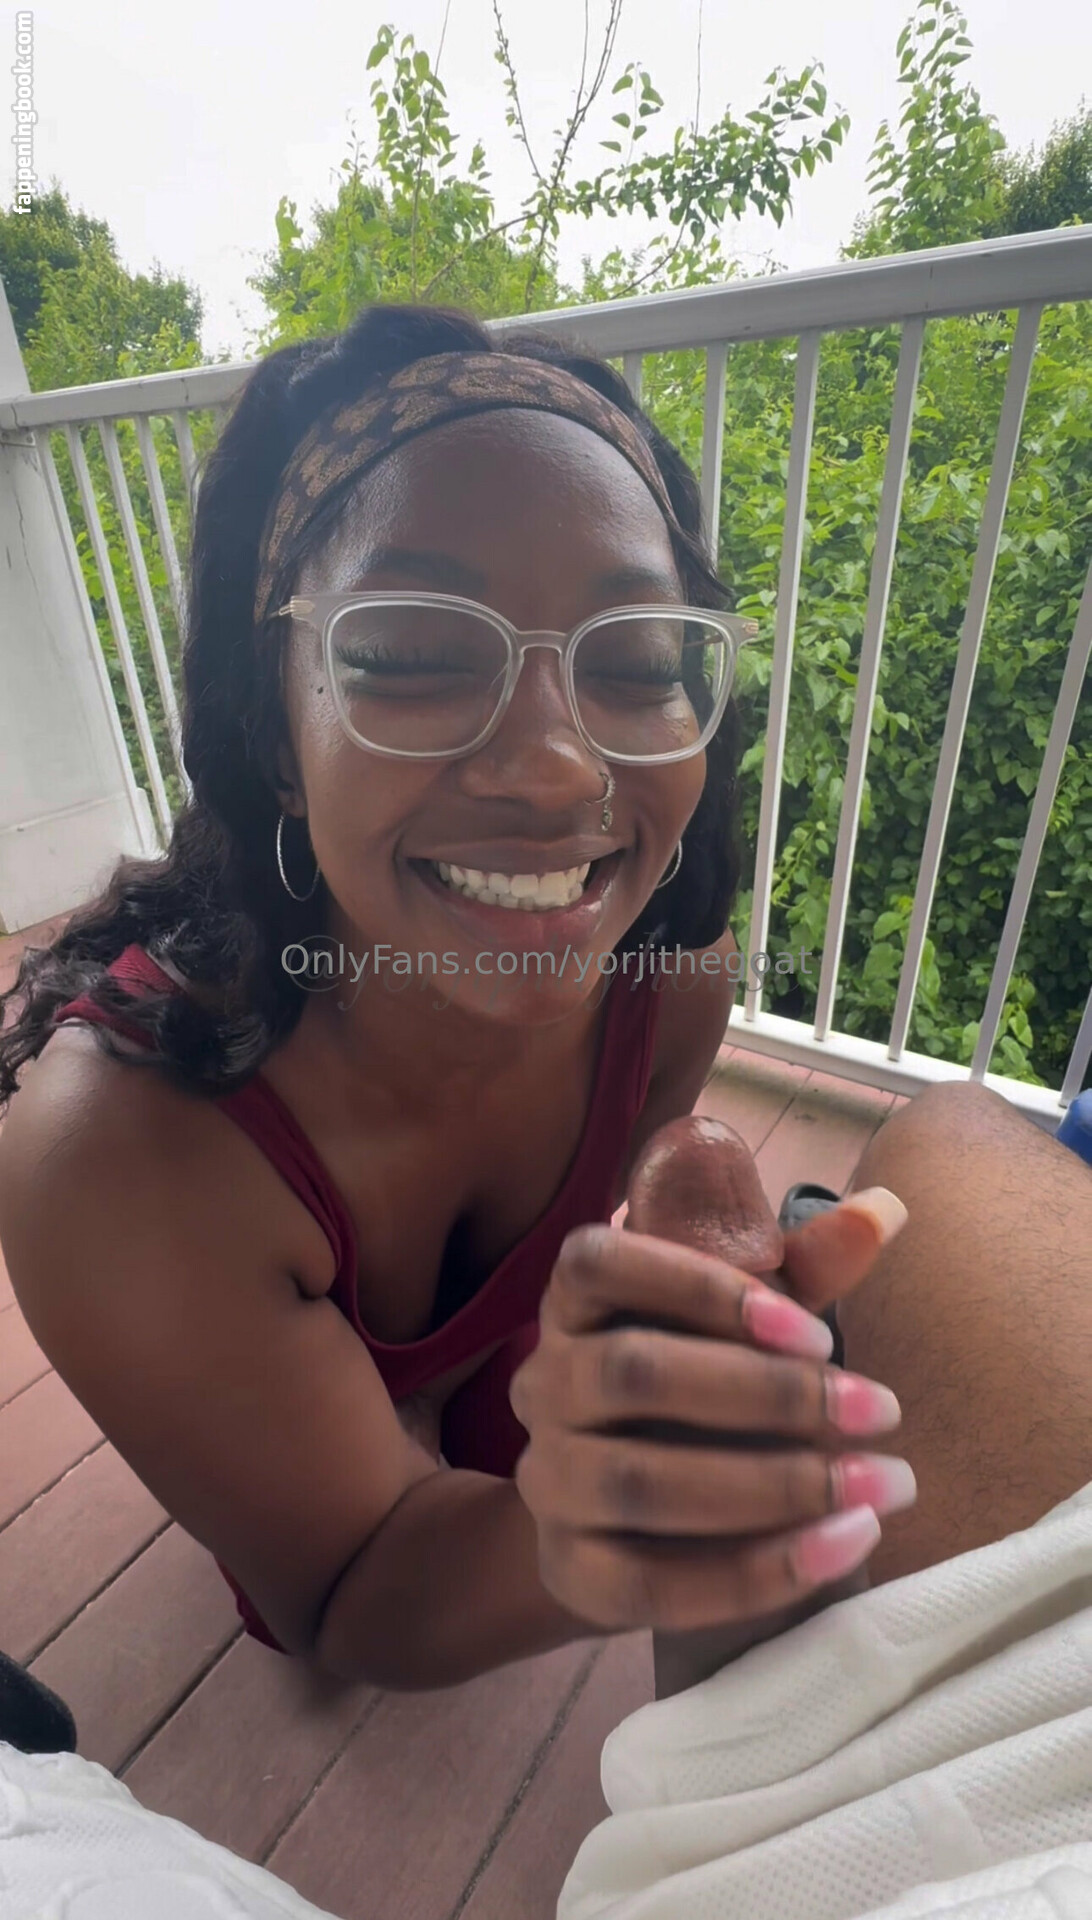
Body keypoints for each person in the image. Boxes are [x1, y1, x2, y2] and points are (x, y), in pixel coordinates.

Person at [0, 306, 1087, 1742]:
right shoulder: (116, 1158)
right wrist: (563, 1544)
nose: (557, 767)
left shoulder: (670, 983)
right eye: (411, 651)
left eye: (635, 661)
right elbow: (352, 1584)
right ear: (276, 730)